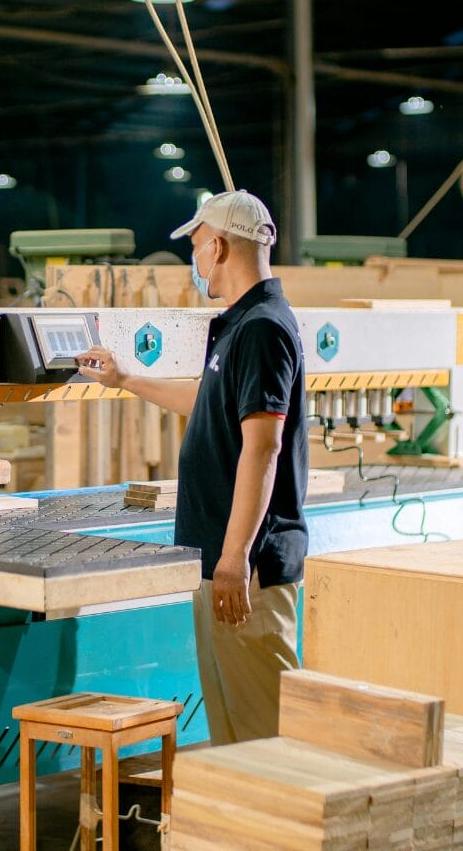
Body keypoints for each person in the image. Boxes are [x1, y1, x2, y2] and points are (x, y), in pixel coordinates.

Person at [78, 190, 308, 745]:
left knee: (268, 741)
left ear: (221, 246)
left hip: (243, 567)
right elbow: (208, 400)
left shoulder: (262, 329)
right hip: (218, 561)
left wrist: (234, 556)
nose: (195, 259)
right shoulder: (239, 324)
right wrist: (126, 379)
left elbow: (264, 448)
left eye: (198, 246)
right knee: (234, 740)